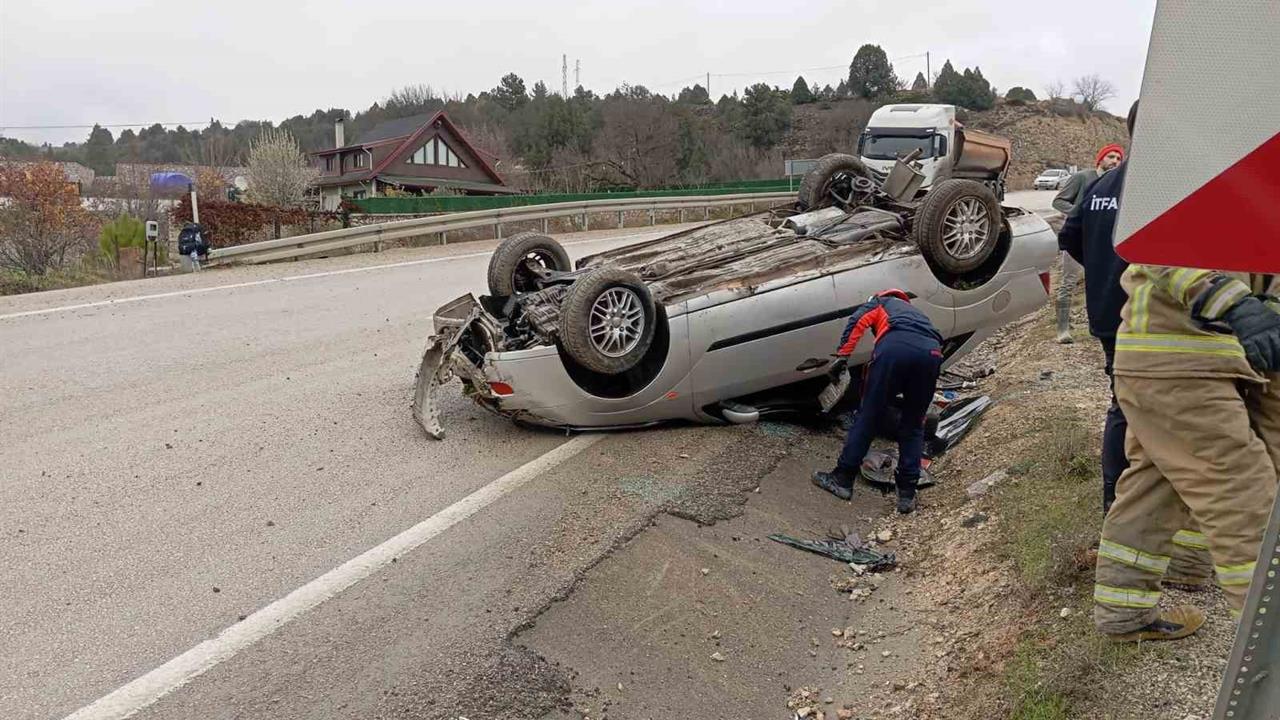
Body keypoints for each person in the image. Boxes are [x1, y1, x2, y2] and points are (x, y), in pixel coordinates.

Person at [1093, 268, 1280, 641]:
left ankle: (1128, 609)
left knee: (1156, 484)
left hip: (1197, 356)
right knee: (1243, 495)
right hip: (1178, 356)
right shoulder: (1164, 206)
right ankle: (1268, 655)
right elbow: (1156, 244)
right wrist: (1234, 302)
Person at [812, 289, 943, 514]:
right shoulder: (917, 314)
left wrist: (843, 356)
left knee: (868, 417)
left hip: (895, 349)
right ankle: (907, 495)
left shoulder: (880, 302)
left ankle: (842, 479)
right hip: (931, 354)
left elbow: (858, 321)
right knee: (913, 425)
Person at [1051, 144, 1126, 344]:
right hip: (1079, 237)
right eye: (1110, 157)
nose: (1115, 162)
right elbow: (1058, 202)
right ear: (1100, 159)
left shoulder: (1119, 183)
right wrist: (1081, 212)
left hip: (1103, 243)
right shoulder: (1083, 177)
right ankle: (1062, 329)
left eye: (1118, 159)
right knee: (1068, 283)